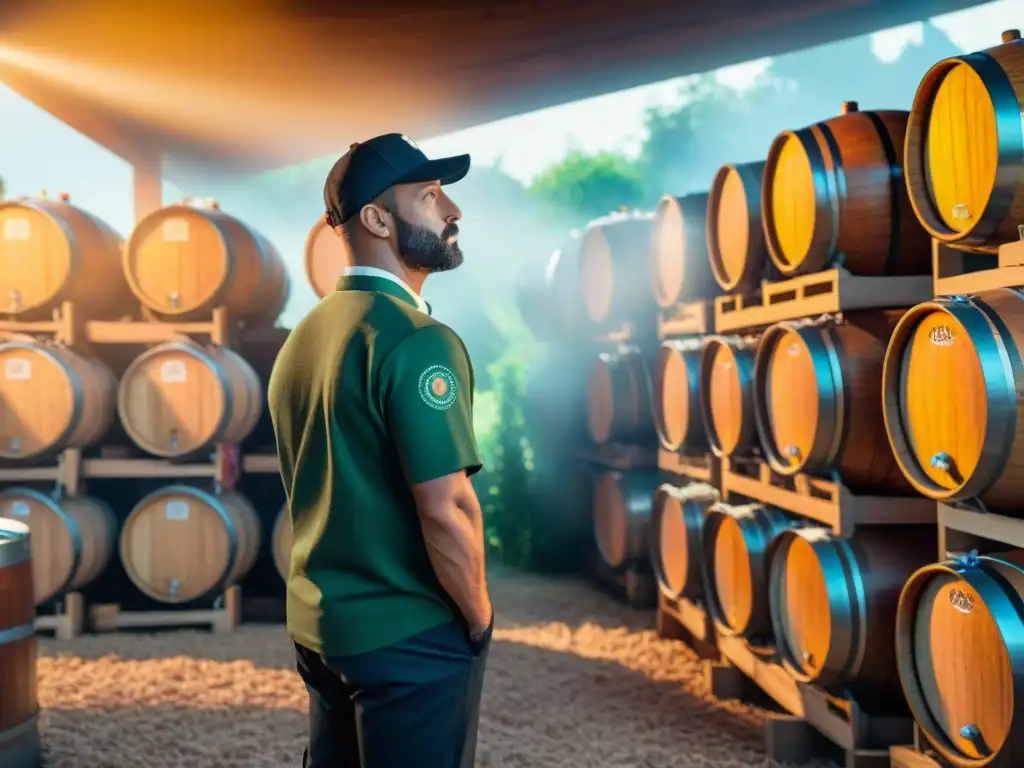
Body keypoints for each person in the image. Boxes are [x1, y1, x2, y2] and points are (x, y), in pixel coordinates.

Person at [267, 133, 493, 768]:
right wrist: (477, 618)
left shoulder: (305, 338)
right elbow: (447, 508)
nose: (453, 212)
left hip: (321, 629)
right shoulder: (416, 341)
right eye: (430, 196)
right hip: (409, 637)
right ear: (376, 218)